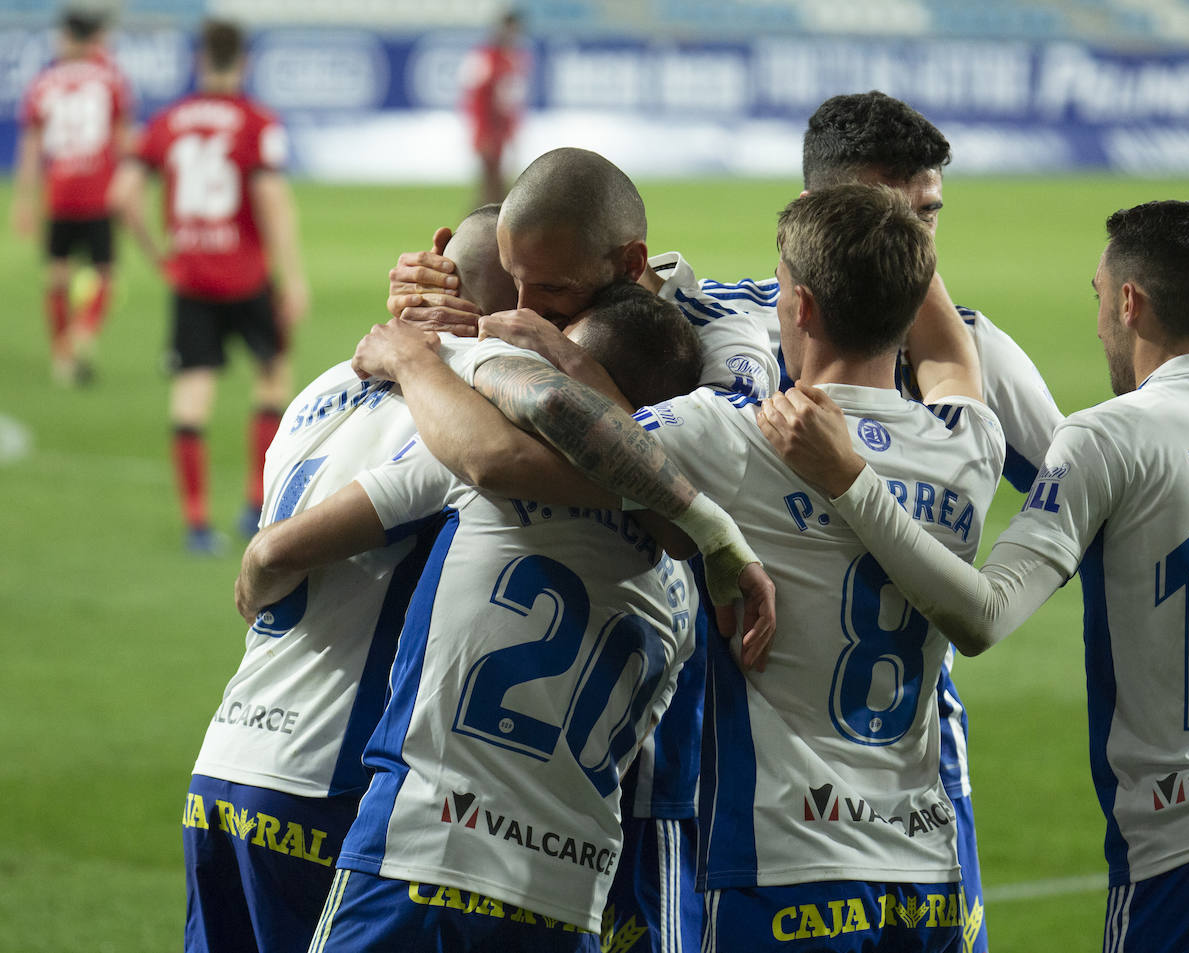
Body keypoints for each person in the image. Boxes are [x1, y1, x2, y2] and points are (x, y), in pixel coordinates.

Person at [353, 182, 1003, 952]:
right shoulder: (972, 440)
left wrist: (449, 344)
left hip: (786, 862)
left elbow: (570, 439)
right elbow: (955, 358)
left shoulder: (733, 442)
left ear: (796, 307)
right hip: (926, 862)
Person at [757, 199, 1189, 952]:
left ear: (1128, 301)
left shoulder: (1108, 438)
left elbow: (983, 615)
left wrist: (852, 481)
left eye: (1097, 297)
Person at [643, 90, 1063, 951]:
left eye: (930, 215)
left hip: (908, 778)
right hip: (722, 768)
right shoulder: (711, 318)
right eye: (889, 214)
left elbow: (1077, 504)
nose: (917, 239)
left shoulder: (980, 353)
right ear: (811, 214)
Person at [239, 284, 774, 952]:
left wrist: (416, 357)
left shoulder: (478, 476)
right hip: (565, 894)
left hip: (418, 853)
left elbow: (286, 546)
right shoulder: (682, 586)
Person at [384, 146, 788, 953]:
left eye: (556, 294)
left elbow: (667, 483)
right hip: (520, 749)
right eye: (513, 282)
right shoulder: (534, 287)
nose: (527, 309)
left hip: (656, 746)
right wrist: (431, 300)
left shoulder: (724, 338)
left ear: (630, 263)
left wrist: (534, 361)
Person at [181, 206, 510, 953]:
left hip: (224, 763)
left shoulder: (327, 383)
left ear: (436, 256)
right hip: (335, 779)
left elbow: (271, 560)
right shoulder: (482, 410)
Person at [110, 19, 309, 553]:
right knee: (271, 378)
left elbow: (122, 194)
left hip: (191, 277)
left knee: (192, 394)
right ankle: (254, 505)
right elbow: (271, 201)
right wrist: (291, 277)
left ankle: (197, 524)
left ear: (199, 61)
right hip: (247, 277)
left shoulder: (168, 120)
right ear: (242, 63)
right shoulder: (255, 121)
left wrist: (160, 257)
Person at [11, 7, 134, 385]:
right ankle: (82, 334)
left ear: (67, 38)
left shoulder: (43, 83)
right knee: (105, 275)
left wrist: (24, 199)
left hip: (59, 194)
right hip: (99, 193)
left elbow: (31, 145)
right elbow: (123, 139)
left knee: (56, 276)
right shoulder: (110, 78)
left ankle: (61, 359)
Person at [460, 9, 527, 206]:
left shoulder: (511, 59)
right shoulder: (486, 59)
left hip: (500, 132)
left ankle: (474, 230)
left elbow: (508, 104)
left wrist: (511, 132)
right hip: (488, 132)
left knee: (495, 190)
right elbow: (476, 99)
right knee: (493, 189)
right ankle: (473, 231)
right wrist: (481, 133)